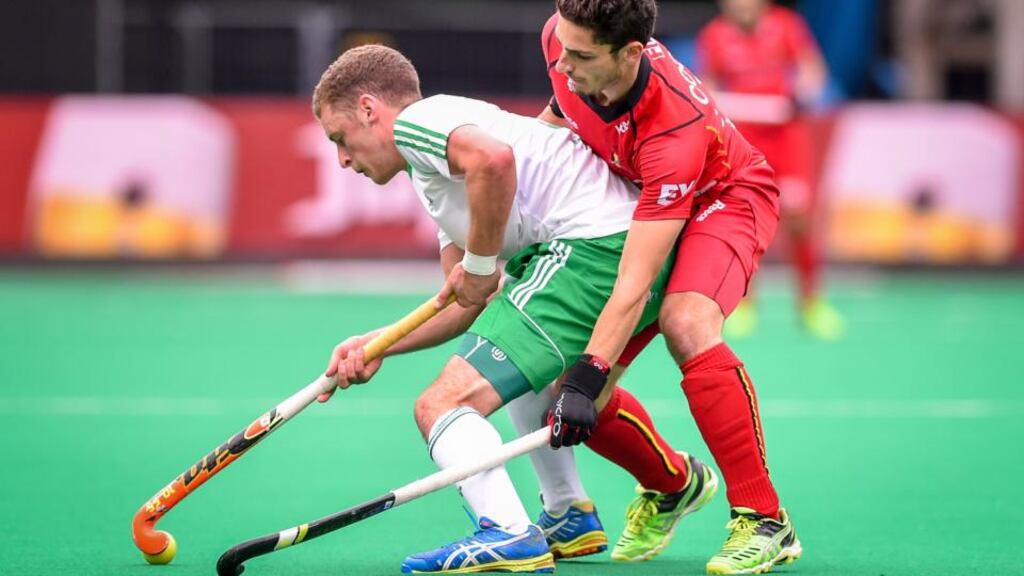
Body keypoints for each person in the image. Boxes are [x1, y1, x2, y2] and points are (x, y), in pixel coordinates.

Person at [312, 44, 717, 574]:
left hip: (597, 250)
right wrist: (380, 343)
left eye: (341, 139)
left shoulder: (420, 122)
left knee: (442, 405)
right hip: (606, 251)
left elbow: (493, 163)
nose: (343, 159)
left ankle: (506, 532)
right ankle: (567, 512)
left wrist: (481, 266)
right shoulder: (436, 177)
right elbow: (466, 305)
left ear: (369, 109)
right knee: (527, 376)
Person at [532, 1, 801, 574]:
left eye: (582, 56)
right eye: (563, 48)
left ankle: (765, 518)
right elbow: (560, 118)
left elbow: (636, 278)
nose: (565, 61)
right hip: (642, 196)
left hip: (724, 198)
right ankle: (671, 483)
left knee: (685, 321)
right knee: (571, 393)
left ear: (630, 54)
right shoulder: (563, 40)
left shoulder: (673, 126)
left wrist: (592, 369)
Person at [697, 0, 845, 340]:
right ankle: (745, 304)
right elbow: (707, 86)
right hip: (745, 143)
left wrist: (804, 91)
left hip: (788, 139)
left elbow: (812, 71)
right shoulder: (715, 35)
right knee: (746, 222)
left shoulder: (787, 25)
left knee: (798, 218)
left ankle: (810, 304)